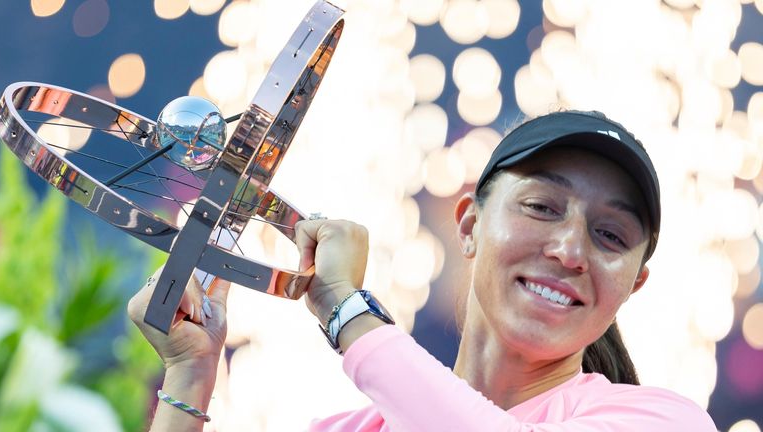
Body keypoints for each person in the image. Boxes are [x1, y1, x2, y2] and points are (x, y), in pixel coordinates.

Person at [128, 110, 718, 431]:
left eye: (610, 235)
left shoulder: (664, 422)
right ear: (468, 226)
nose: (569, 251)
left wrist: (347, 312)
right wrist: (189, 375)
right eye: (541, 208)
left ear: (633, 283)